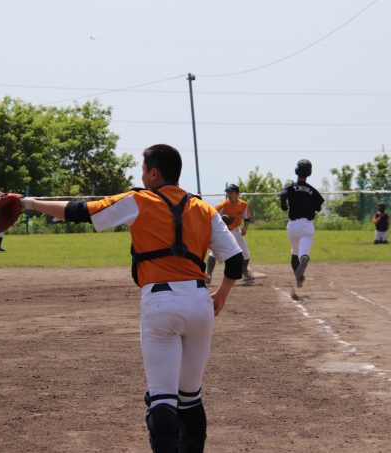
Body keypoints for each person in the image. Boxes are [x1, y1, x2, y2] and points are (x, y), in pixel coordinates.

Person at [20, 144, 242, 453]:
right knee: (190, 396)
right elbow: (235, 261)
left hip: (161, 303)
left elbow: (80, 212)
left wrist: (28, 203)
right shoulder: (204, 209)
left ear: (154, 173)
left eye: (143, 170)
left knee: (162, 399)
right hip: (199, 302)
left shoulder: (139, 200)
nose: (142, 175)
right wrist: (222, 294)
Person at [280, 159, 325, 288]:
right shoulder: (312, 190)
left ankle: (300, 278)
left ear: (296, 171)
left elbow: (283, 194)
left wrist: (284, 205)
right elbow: (319, 207)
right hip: (306, 226)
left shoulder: (291, 186)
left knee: (295, 251)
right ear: (309, 173)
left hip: (292, 226)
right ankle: (304, 258)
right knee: (302, 253)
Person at [205, 183, 254, 284]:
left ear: (237, 193)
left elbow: (247, 218)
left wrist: (244, 229)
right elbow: (211, 217)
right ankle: (208, 274)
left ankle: (245, 271)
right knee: (214, 252)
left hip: (236, 230)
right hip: (223, 231)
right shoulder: (222, 205)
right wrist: (221, 219)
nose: (229, 194)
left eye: (231, 192)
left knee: (245, 253)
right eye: (228, 192)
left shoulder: (243, 205)